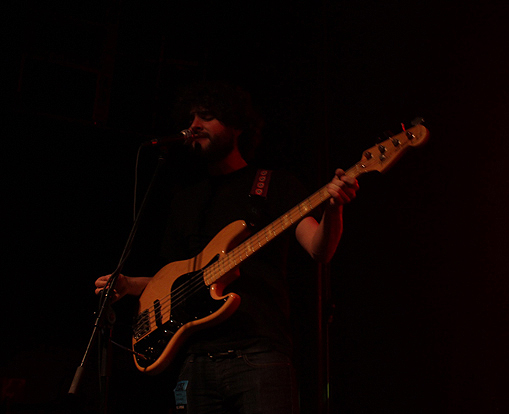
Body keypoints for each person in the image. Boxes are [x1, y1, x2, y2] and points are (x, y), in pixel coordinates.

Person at [94, 81, 359, 413]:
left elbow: (320, 250)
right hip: (193, 362)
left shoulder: (274, 184)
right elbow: (175, 280)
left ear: (236, 125)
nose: (194, 125)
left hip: (258, 356)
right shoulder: (185, 199)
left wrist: (333, 209)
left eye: (206, 116)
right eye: (191, 118)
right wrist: (129, 284)